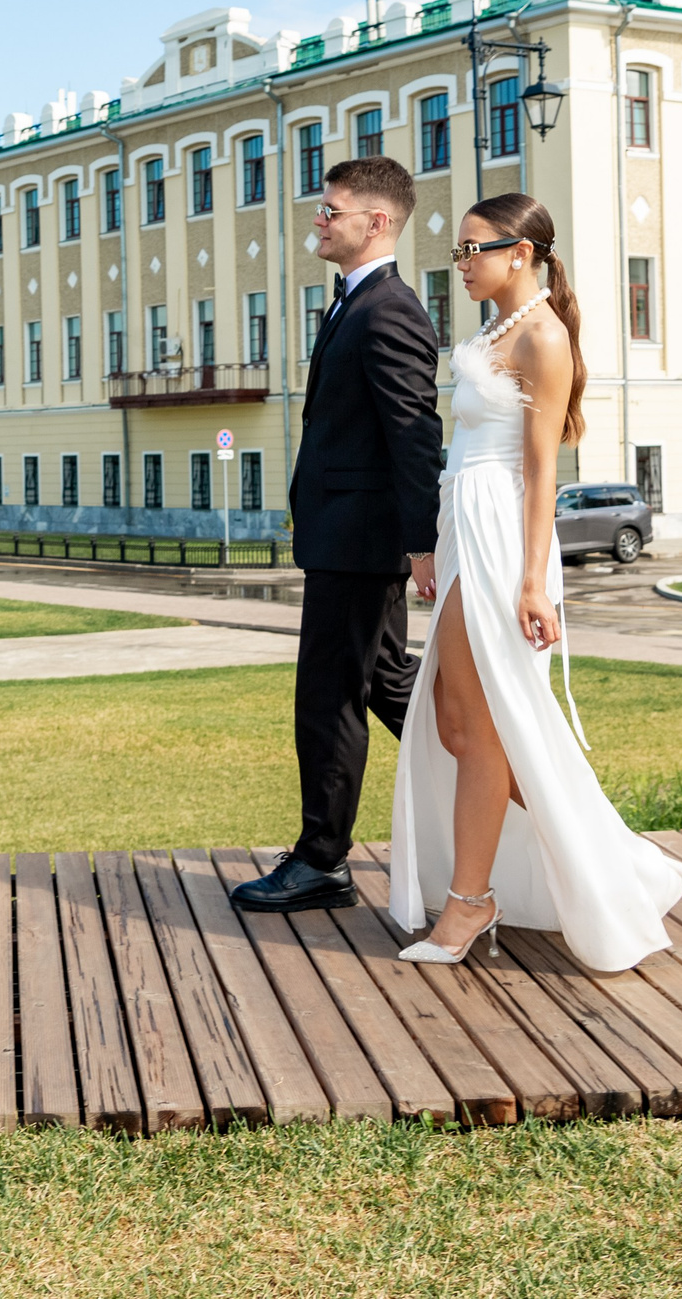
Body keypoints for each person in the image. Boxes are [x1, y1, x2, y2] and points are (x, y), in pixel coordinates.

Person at [389, 193, 682, 971]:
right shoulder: (495, 329)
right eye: (458, 251)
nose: (461, 264)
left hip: (501, 530)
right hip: (465, 523)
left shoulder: (544, 339)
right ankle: (600, 854)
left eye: (472, 250)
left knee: (483, 726)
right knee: (460, 725)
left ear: (520, 252)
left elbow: (541, 471)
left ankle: (469, 903)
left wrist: (532, 582)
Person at [229, 156, 444, 914]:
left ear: (376, 222)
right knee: (389, 683)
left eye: (331, 210)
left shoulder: (387, 309)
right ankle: (494, 777)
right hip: (346, 532)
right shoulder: (351, 302)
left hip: (360, 540)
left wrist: (423, 542)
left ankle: (322, 859)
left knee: (328, 698)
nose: (317, 220)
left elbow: (415, 435)